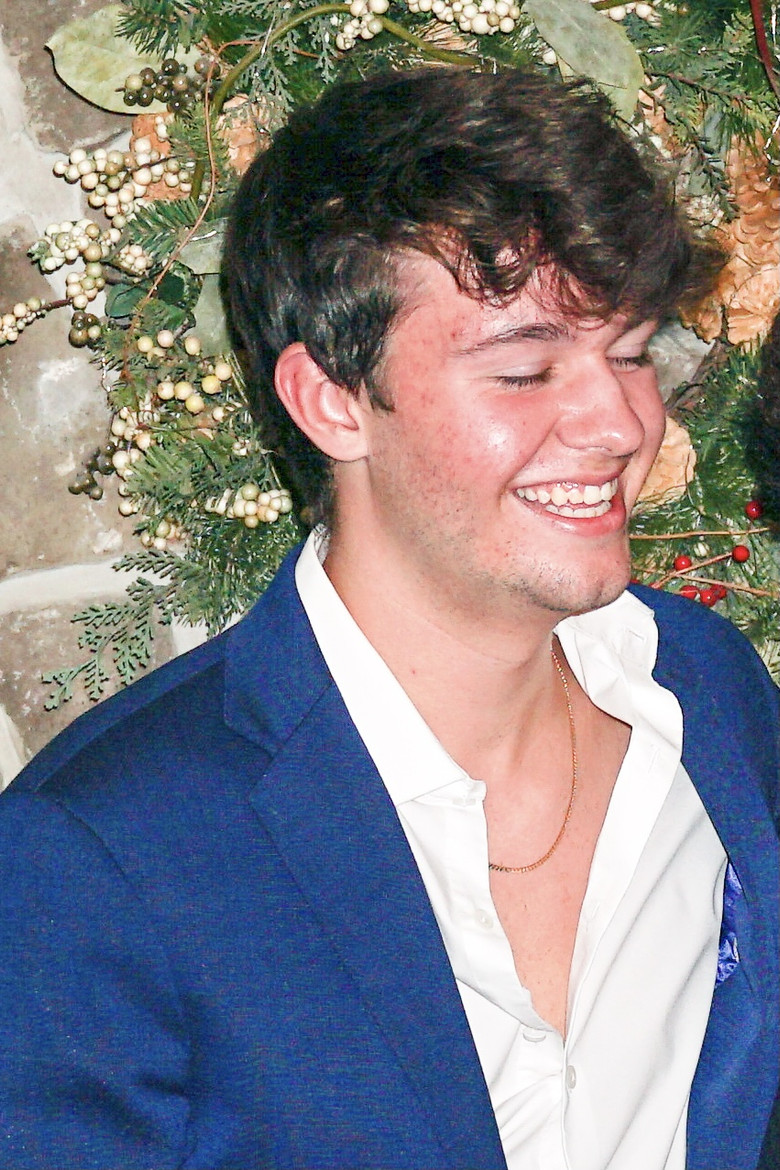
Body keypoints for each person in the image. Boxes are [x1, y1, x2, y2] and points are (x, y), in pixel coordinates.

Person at [0, 67, 777, 1170]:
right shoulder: (102, 853)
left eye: (629, 352)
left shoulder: (710, 693)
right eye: (525, 372)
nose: (618, 424)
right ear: (331, 402)